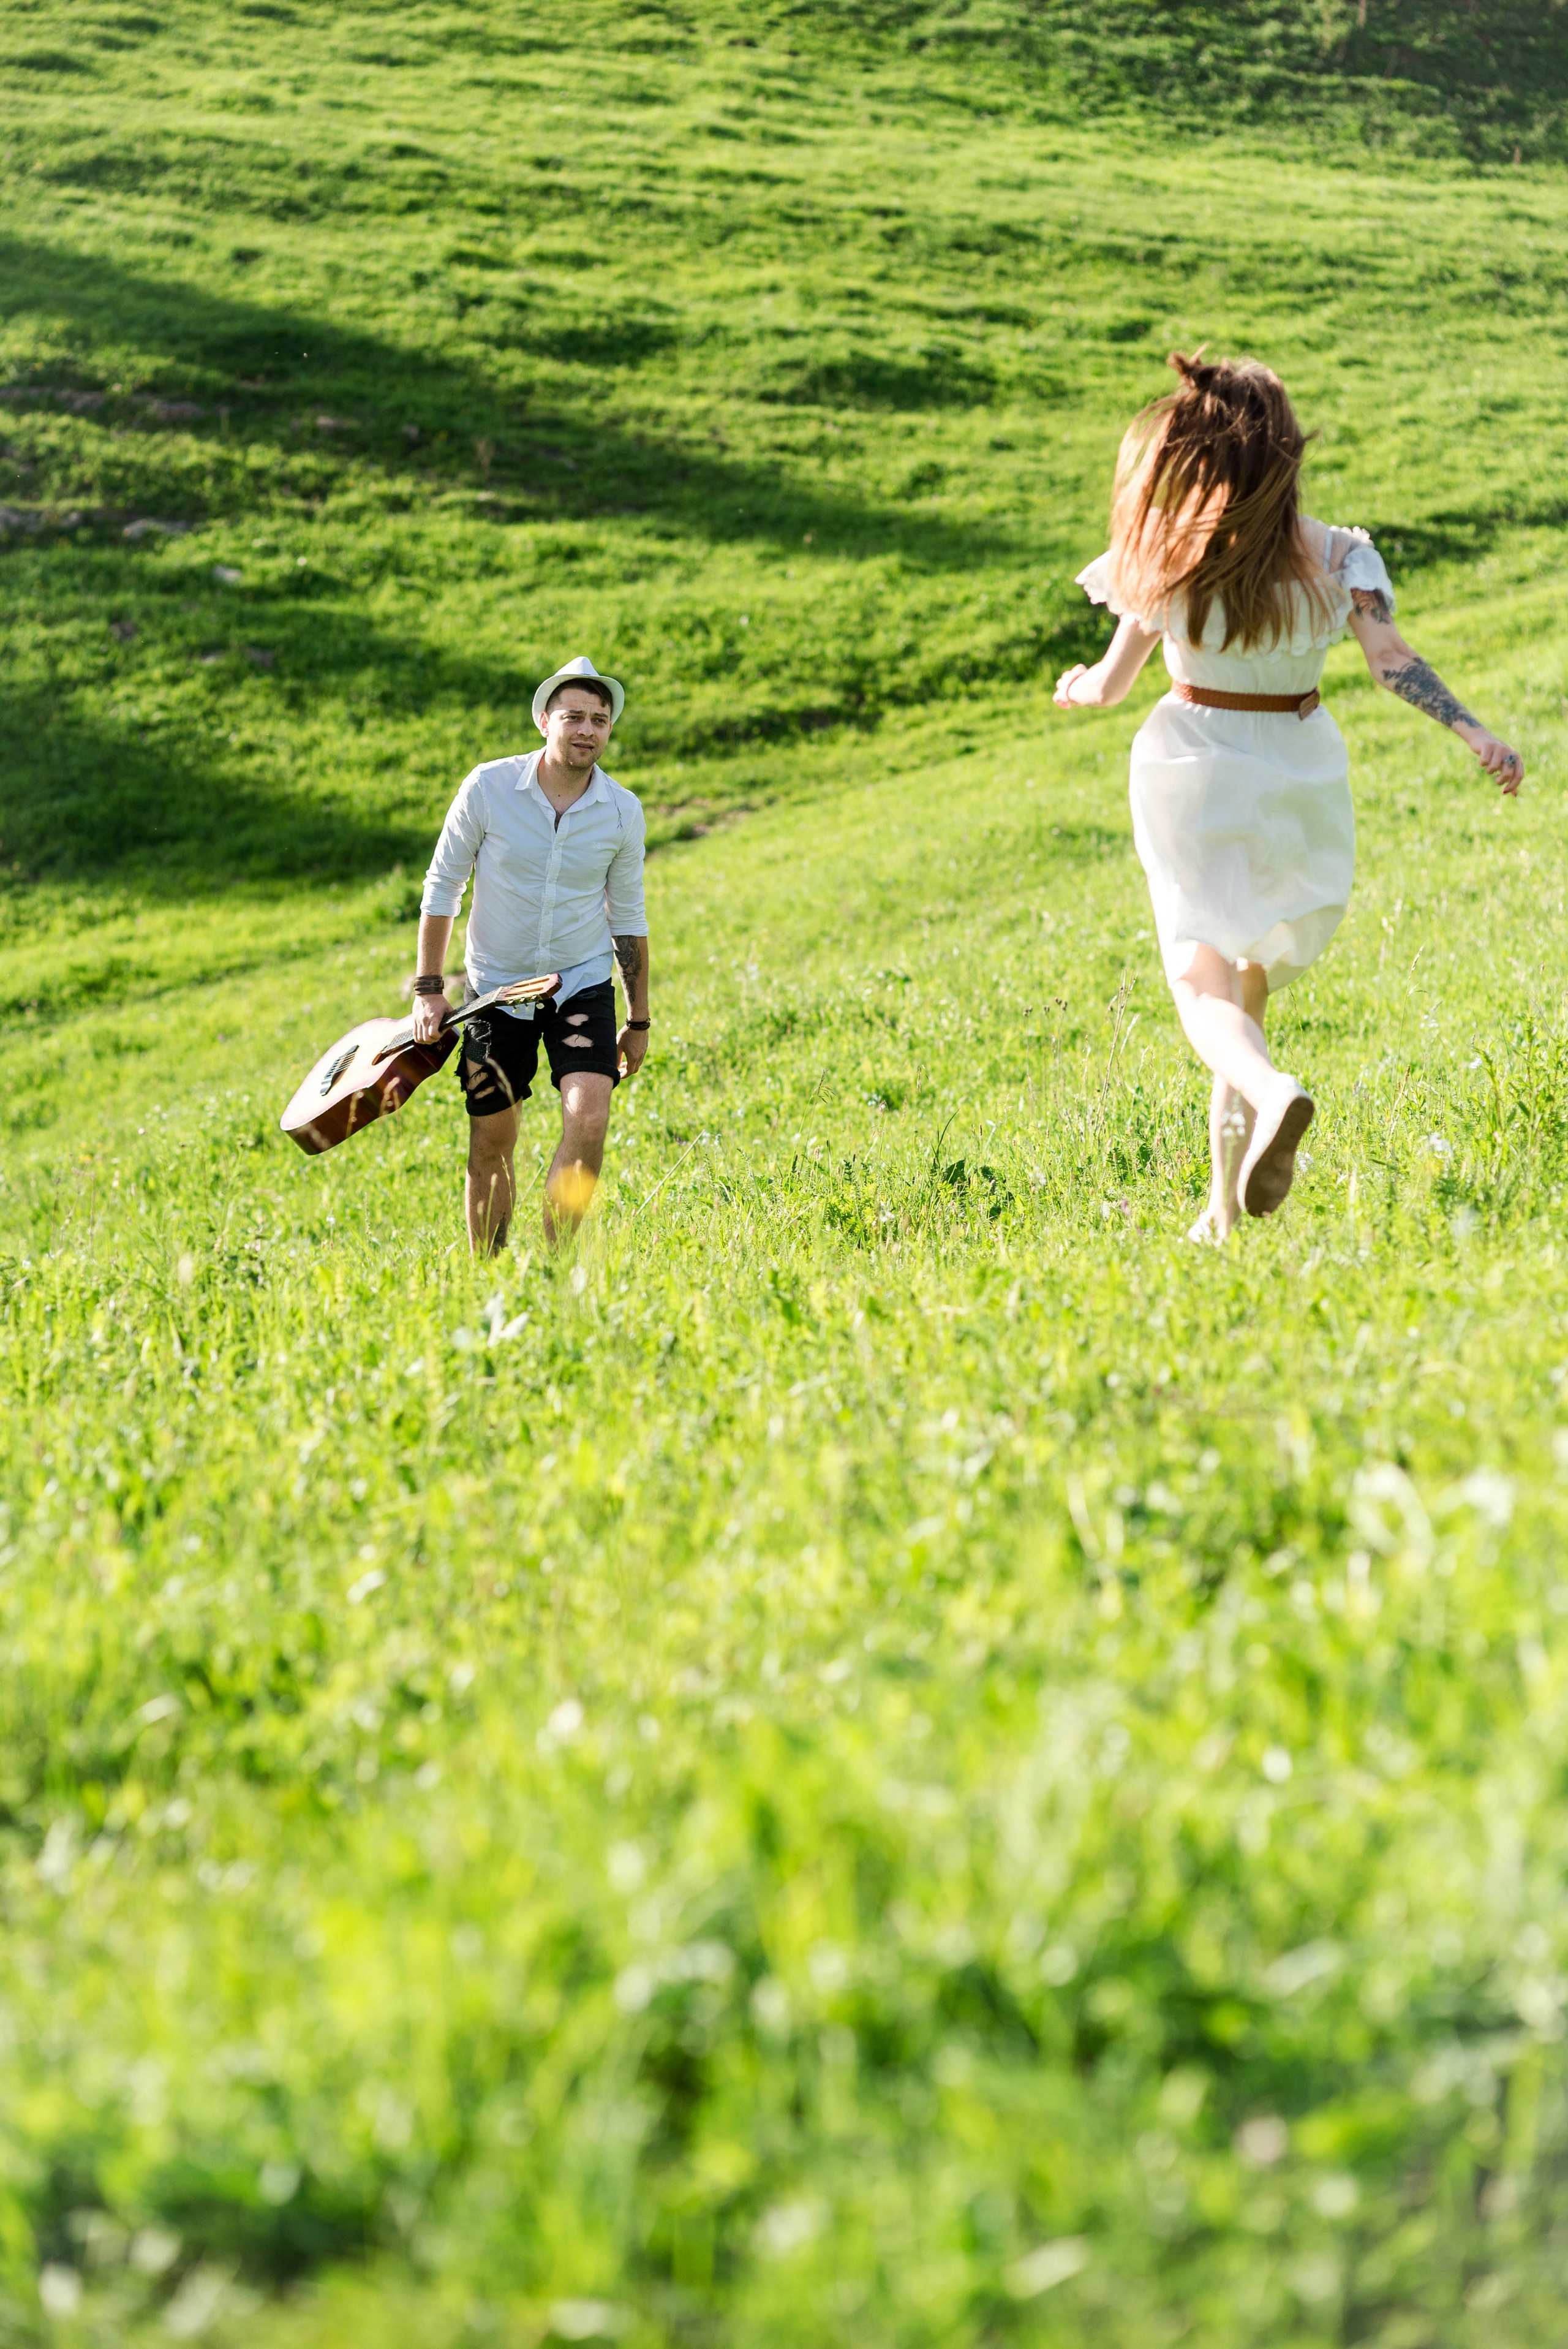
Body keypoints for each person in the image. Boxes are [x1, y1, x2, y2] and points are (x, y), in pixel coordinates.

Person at [1054, 353, 1523, 1242]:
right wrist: (1474, 732)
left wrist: (1076, 683)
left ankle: (1276, 1094)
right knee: (1247, 992)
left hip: (1195, 765)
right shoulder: (1344, 556)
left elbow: (1112, 687)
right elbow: (1393, 664)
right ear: (1284, 447)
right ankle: (1223, 1210)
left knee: (1201, 985)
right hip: (1299, 770)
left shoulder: (1169, 553)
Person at [412, 656, 650, 1252]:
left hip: (581, 984)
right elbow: (442, 886)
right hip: (495, 992)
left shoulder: (622, 811)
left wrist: (638, 1019)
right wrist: (428, 989)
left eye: (600, 719)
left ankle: (556, 1270)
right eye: (574, 717)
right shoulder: (488, 788)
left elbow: (627, 918)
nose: (587, 730)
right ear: (544, 720)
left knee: (589, 1118)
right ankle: (487, 1273)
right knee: (492, 1141)